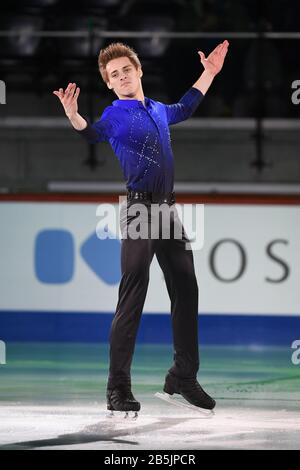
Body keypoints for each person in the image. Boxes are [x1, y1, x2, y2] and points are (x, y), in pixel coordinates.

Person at [53, 40, 229, 415]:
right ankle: (117, 388)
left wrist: (210, 72)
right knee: (133, 293)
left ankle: (183, 376)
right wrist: (74, 118)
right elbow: (92, 132)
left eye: (126, 70)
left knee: (186, 287)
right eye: (114, 75)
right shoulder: (115, 115)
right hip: (138, 210)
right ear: (110, 84)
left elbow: (187, 105)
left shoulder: (159, 109)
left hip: (168, 211)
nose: (121, 76)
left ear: (139, 72)